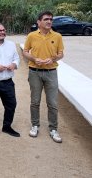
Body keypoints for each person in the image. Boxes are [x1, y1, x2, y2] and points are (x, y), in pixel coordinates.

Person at [23, 11, 64, 143]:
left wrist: (52, 59)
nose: (49, 21)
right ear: (39, 22)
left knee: (52, 103)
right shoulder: (32, 35)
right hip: (34, 71)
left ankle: (53, 128)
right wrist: (34, 59)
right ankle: (35, 125)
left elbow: (61, 54)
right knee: (35, 101)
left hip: (51, 72)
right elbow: (25, 51)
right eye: (46, 19)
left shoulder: (57, 36)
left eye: (51, 19)